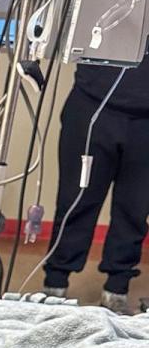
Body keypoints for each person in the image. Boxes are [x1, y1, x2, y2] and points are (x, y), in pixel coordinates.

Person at [43, 53, 149, 314]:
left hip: (145, 120)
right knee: (75, 201)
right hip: (92, 104)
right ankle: (55, 283)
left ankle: (117, 287)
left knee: (135, 208)